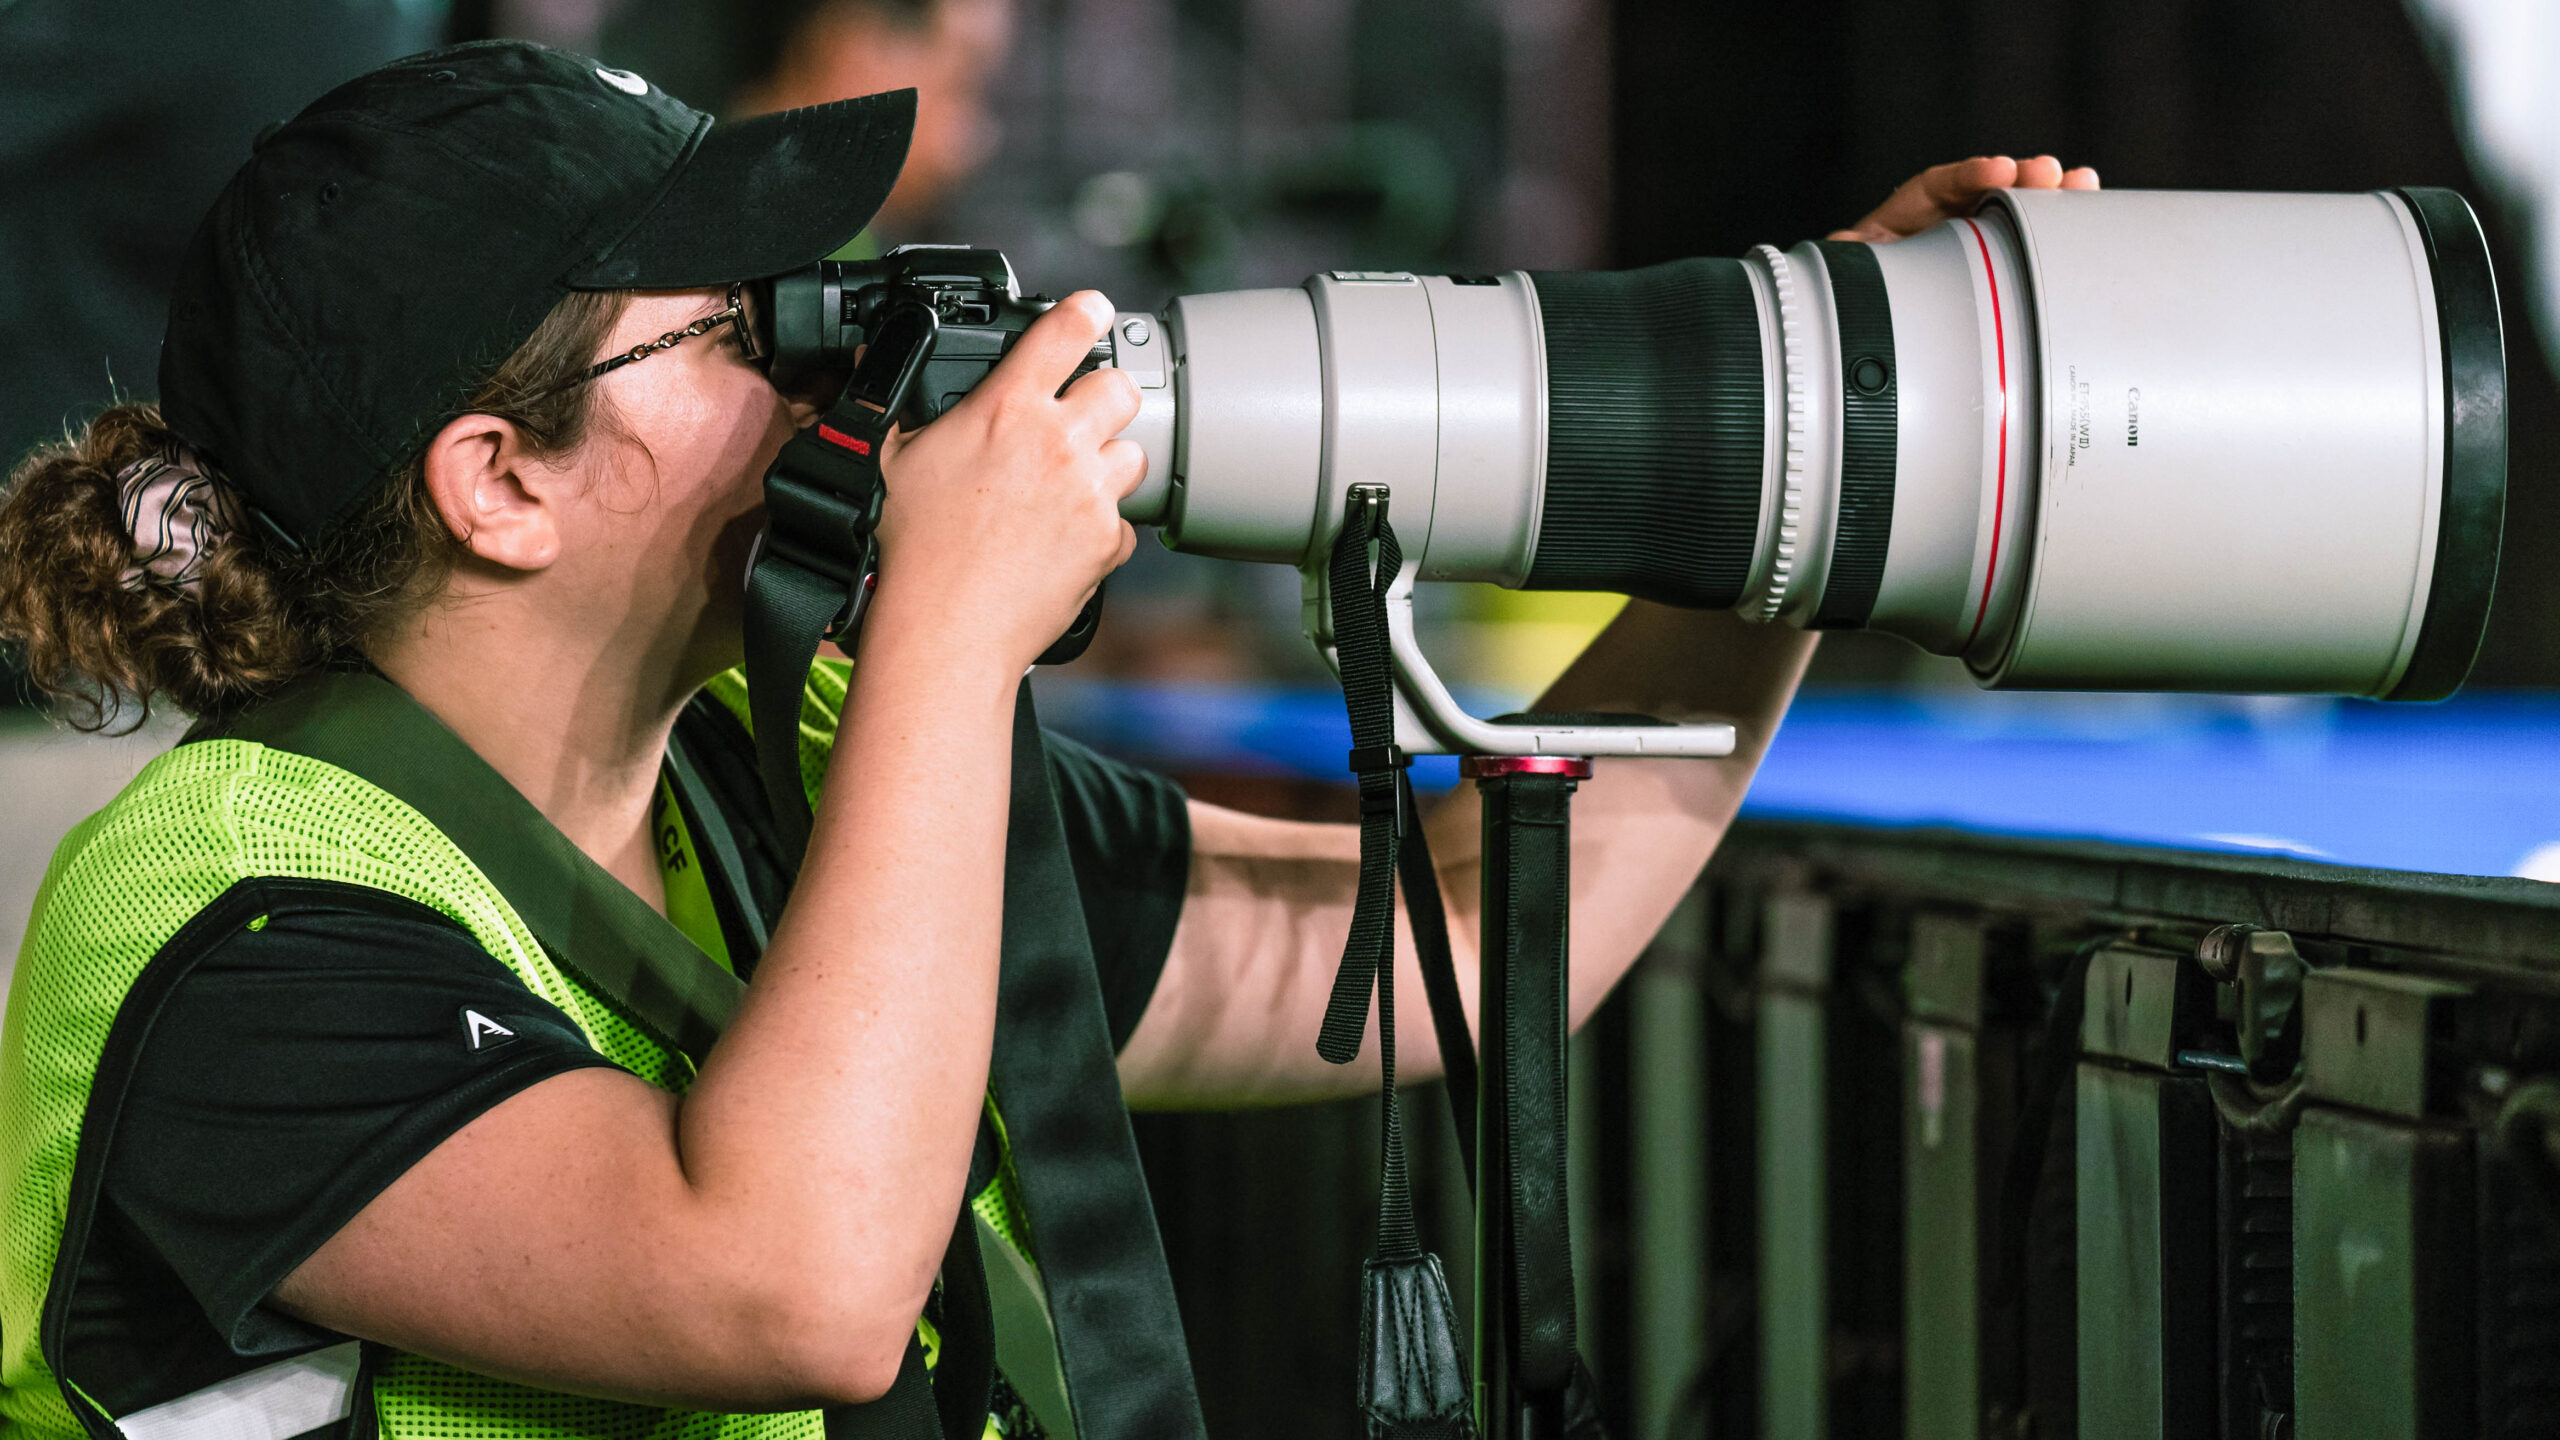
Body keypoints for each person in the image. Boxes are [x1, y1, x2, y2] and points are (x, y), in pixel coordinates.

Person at [0, 38, 2094, 1440]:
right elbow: (792, 1283)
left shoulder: (778, 767)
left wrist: (1820, 459)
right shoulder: (231, 927)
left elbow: (1454, 949)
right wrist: (947, 629)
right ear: (501, 482)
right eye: (741, 327)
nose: (833, 371)